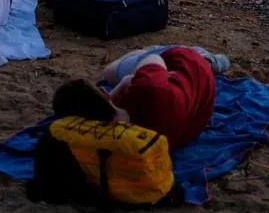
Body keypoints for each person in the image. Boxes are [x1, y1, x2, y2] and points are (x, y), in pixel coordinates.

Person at [51, 45, 229, 149]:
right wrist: (126, 83)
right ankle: (208, 59)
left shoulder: (114, 141)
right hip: (190, 67)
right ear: (104, 94)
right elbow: (154, 59)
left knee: (123, 68)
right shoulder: (146, 90)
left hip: (193, 122)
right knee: (113, 70)